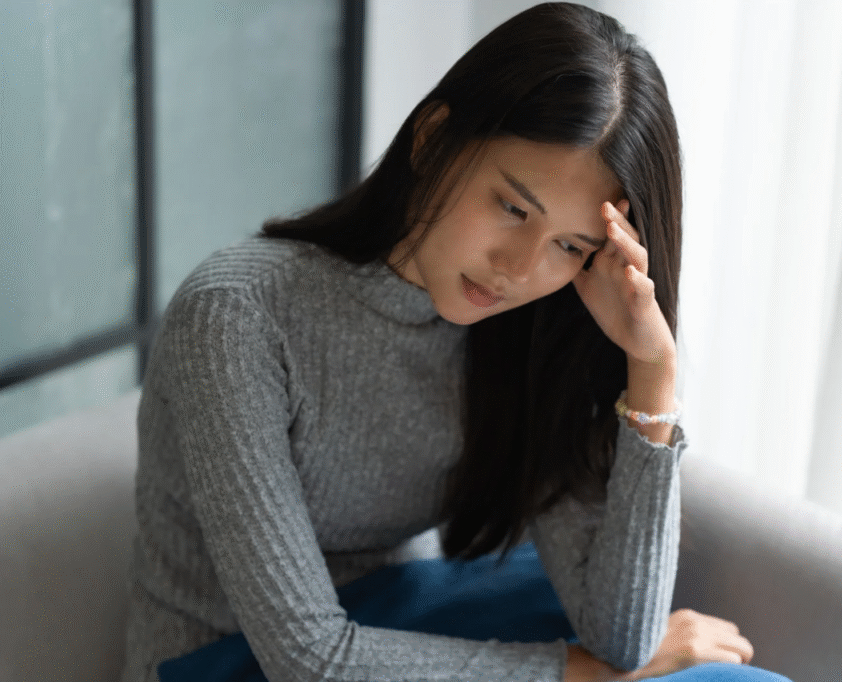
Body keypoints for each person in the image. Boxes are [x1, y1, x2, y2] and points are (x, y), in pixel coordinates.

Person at [119, 3, 792, 682]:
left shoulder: (528, 328)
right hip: (228, 662)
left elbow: (624, 634)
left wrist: (652, 369)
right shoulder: (236, 315)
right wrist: (588, 677)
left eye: (569, 245)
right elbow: (308, 659)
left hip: (400, 626)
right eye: (512, 208)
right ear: (433, 138)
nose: (521, 268)